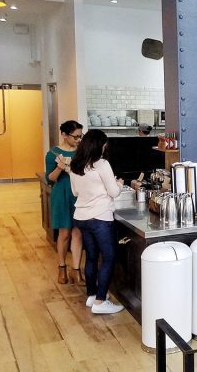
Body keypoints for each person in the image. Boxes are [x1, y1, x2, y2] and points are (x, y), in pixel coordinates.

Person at [69, 129, 125, 314]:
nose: (104, 148)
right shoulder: (101, 164)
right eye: (104, 145)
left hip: (82, 217)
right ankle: (101, 302)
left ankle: (92, 296)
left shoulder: (75, 165)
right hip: (100, 217)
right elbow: (114, 193)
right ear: (99, 145)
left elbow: (76, 192)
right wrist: (119, 184)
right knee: (109, 258)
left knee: (92, 257)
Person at [45, 120, 85, 286]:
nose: (78, 140)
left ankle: (76, 270)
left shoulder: (82, 152)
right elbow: (50, 179)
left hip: (80, 195)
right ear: (64, 135)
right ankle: (62, 267)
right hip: (61, 194)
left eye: (80, 136)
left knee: (78, 232)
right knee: (64, 233)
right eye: (75, 136)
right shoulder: (53, 153)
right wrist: (60, 167)